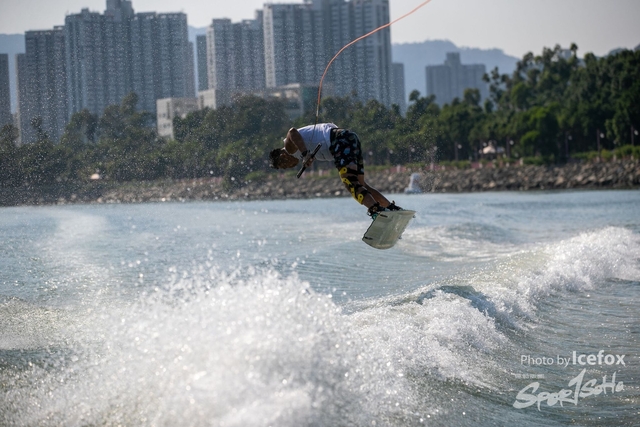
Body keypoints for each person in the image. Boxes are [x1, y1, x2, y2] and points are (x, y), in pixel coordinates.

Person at [269, 123, 401, 218]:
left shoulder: (289, 148)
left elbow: (292, 131)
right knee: (361, 184)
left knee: (350, 183)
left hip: (340, 141)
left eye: (284, 165)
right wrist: (305, 154)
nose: (289, 167)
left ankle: (377, 212)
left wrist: (305, 154)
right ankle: (391, 208)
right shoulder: (297, 150)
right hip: (350, 138)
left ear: (282, 157)